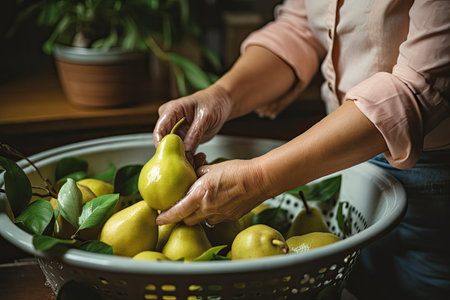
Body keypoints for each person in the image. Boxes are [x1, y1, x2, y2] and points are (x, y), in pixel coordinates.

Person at [153, 1, 450, 299]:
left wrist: (256, 179)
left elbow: (423, 82)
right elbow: (300, 28)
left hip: (433, 178)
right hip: (340, 155)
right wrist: (221, 95)